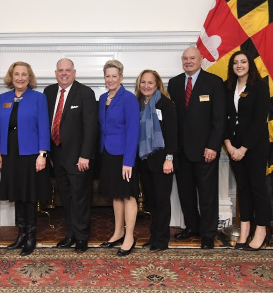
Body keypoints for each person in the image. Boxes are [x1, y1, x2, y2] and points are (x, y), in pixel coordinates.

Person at [167, 46, 226, 249]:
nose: (188, 61)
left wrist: (213, 146)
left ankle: (208, 234)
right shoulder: (174, 84)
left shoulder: (214, 83)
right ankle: (192, 226)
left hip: (205, 151)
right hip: (181, 151)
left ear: (201, 60)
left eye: (192, 58)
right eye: (185, 58)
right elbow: (171, 120)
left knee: (207, 194)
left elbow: (219, 119)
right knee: (186, 192)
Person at [0, 61, 51, 256]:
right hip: (10, 153)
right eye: (16, 74)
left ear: (29, 77)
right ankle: (20, 235)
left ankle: (31, 237)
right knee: (17, 194)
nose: (20, 77)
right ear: (11, 77)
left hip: (31, 154)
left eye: (24, 74)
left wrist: (42, 154)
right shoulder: (3, 98)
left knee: (29, 195)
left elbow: (44, 126)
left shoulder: (38, 98)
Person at [44, 58, 98, 253]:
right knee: (65, 198)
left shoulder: (85, 93)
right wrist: (46, 152)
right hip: (56, 156)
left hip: (79, 158)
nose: (64, 74)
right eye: (60, 70)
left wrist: (85, 155)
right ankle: (70, 235)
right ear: (56, 73)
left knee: (80, 198)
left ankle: (82, 237)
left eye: (68, 70)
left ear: (74, 73)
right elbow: (45, 124)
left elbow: (91, 128)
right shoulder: (49, 92)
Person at [223, 50, 271, 251]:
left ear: (250, 64)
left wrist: (243, 149)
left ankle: (261, 231)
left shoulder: (259, 87)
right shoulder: (228, 87)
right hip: (233, 147)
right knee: (242, 189)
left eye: (243, 62)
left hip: (255, 147)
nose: (239, 65)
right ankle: (244, 231)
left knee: (257, 189)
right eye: (235, 62)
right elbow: (223, 117)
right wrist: (229, 145)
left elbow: (260, 121)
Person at [98, 59, 140, 256]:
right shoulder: (103, 98)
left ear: (121, 77)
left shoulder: (129, 98)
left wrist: (128, 161)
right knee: (116, 194)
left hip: (125, 155)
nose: (110, 79)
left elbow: (133, 131)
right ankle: (118, 233)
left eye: (114, 76)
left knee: (128, 195)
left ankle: (130, 236)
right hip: (108, 153)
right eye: (107, 76)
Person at [135, 69, 177, 251]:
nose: (146, 86)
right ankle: (153, 236)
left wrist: (169, 159)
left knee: (162, 201)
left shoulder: (165, 104)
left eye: (150, 83)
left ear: (157, 84)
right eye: (143, 82)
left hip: (162, 161)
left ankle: (162, 240)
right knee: (152, 202)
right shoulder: (138, 104)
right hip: (144, 161)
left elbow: (173, 136)